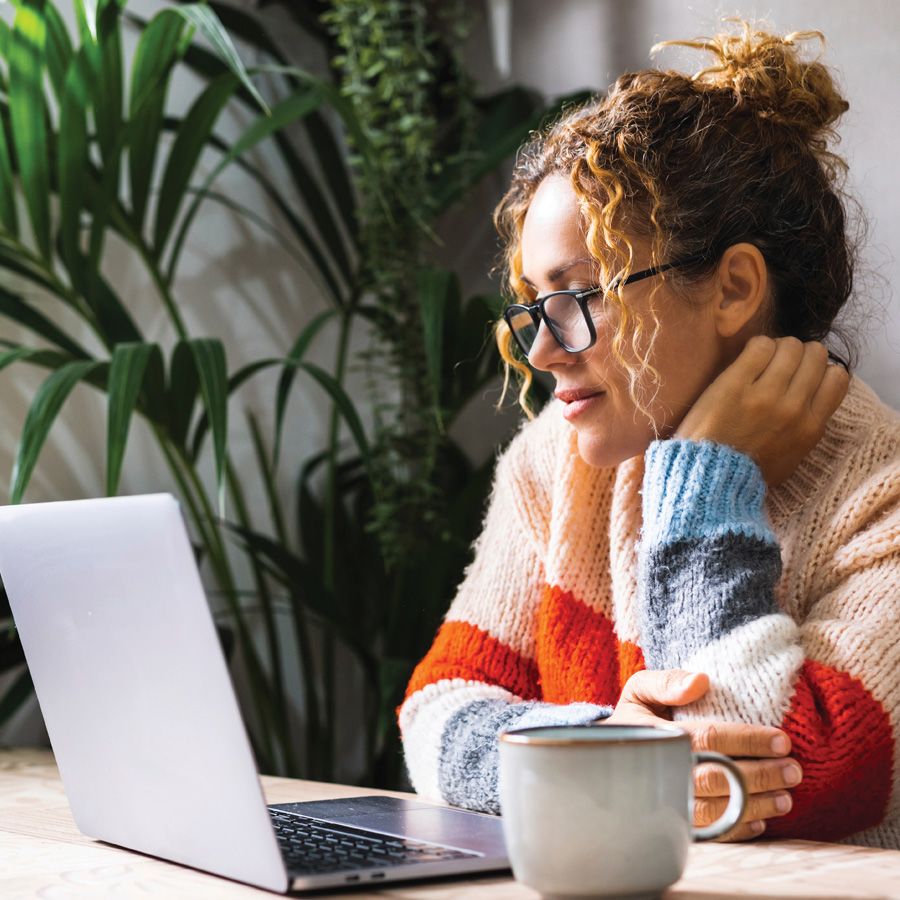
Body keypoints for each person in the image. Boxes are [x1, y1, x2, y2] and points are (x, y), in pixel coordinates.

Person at [397, 19, 900, 847]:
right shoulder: (553, 466)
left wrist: (707, 481)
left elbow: (743, 793)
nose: (541, 348)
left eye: (580, 295)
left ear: (733, 287)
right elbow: (435, 710)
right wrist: (605, 744)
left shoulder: (879, 498)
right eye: (531, 304)